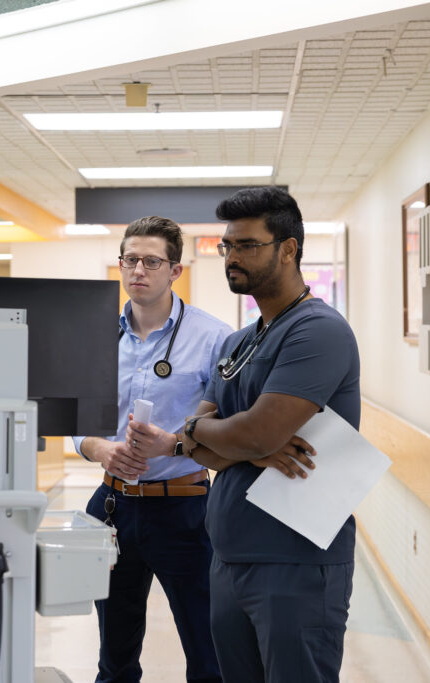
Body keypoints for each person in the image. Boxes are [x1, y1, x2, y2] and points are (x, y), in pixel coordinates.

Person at [178, 186, 361, 683]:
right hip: (230, 556)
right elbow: (200, 448)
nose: (232, 257)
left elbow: (255, 433)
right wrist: (224, 439)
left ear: (288, 249)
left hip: (296, 561)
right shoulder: (239, 341)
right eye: (227, 246)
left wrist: (219, 435)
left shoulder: (317, 331)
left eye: (247, 245)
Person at [74, 216, 231, 683]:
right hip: (112, 506)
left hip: (185, 511)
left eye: (152, 261)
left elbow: (227, 421)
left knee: (209, 654)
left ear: (175, 270)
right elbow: (76, 422)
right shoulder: (95, 335)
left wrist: (175, 443)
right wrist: (100, 449)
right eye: (130, 260)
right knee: (114, 657)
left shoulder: (213, 337)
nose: (138, 270)